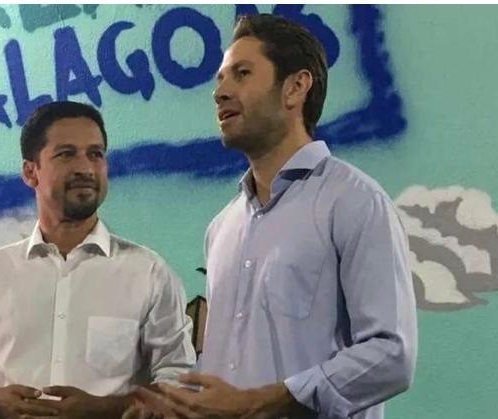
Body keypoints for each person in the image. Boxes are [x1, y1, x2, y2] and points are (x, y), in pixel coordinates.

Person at [155, 14, 417, 419]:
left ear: (296, 87)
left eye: (241, 74)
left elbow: (391, 354)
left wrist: (264, 401)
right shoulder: (221, 228)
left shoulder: (355, 202)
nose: (220, 92)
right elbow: (227, 367)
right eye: (220, 80)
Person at [0, 101, 196, 419]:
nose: (85, 168)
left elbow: (179, 384)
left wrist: (102, 410)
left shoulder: (149, 273)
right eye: (66, 154)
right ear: (30, 172)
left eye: (95, 154)